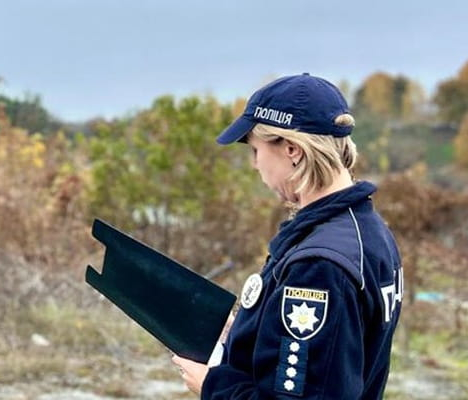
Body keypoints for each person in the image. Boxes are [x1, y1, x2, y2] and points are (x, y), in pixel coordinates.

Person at [171, 73, 403, 399]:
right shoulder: (370, 233)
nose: (255, 165)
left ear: (292, 149)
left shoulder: (320, 266)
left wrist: (213, 386)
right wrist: (249, 327)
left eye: (255, 151)